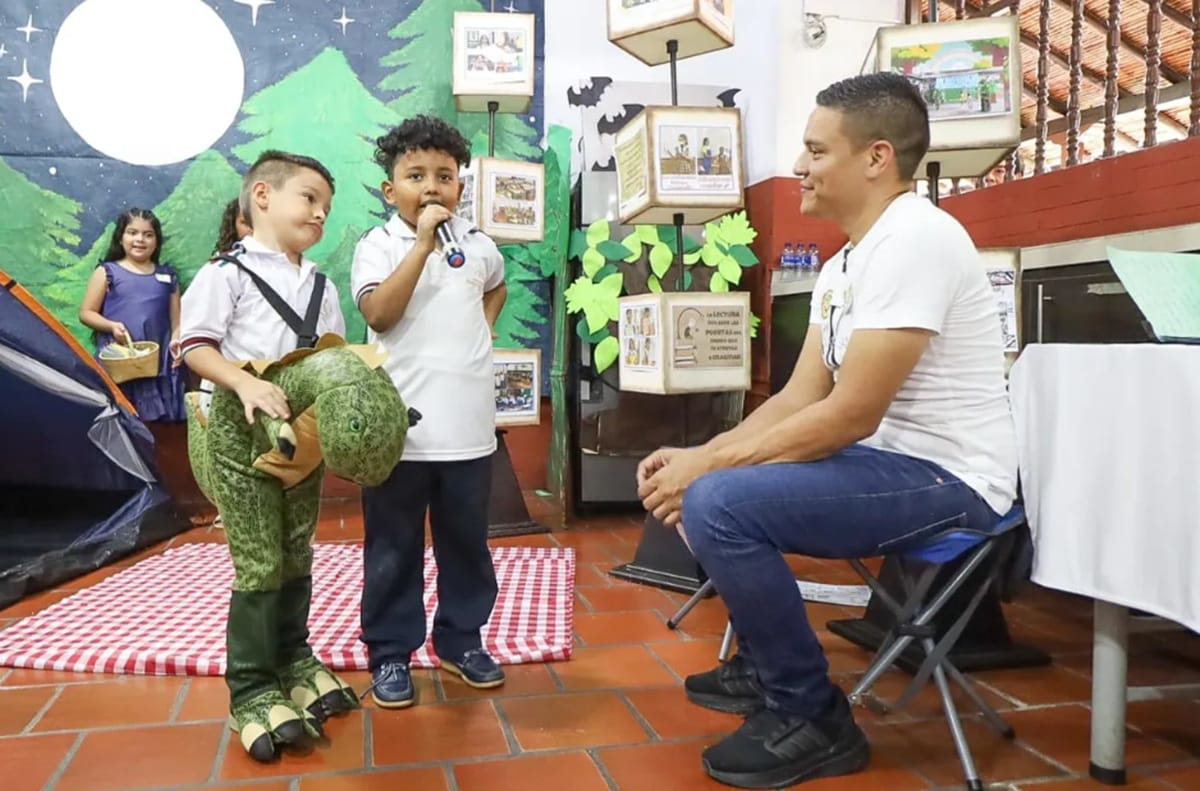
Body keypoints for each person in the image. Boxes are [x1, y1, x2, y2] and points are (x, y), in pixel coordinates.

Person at [636, 72, 1018, 788]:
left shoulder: (917, 239)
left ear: (876, 157)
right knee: (712, 482)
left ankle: (813, 714)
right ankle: (762, 663)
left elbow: (849, 415)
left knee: (719, 502)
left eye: (815, 151)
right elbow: (799, 396)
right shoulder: (845, 262)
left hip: (954, 479)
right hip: (887, 464)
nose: (798, 167)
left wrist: (709, 473)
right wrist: (701, 455)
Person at [179, 149, 352, 761]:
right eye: (309, 197)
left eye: (326, 206)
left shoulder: (323, 287)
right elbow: (193, 346)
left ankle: (294, 659)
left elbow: (333, 357)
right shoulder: (225, 274)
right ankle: (251, 688)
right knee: (257, 560)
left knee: (295, 547)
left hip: (299, 437)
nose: (320, 212)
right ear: (262, 197)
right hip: (237, 430)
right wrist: (246, 383)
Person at [351, 114, 508, 708]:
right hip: (401, 434)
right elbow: (380, 315)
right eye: (416, 175)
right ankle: (391, 651)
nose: (433, 187)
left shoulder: (479, 245)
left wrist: (482, 333)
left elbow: (497, 284)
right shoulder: (380, 244)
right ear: (392, 191)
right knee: (393, 545)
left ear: (461, 188)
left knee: (466, 542)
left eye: (445, 175)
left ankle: (462, 640)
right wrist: (421, 244)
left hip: (468, 430)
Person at [79, 207, 186, 422]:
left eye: (148, 235)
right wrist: (111, 326)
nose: (140, 240)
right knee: (122, 418)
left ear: (156, 241)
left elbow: (177, 320)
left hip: (158, 363)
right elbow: (86, 313)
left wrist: (177, 340)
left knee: (160, 427)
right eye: (133, 233)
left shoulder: (167, 276)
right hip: (121, 362)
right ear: (121, 237)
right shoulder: (107, 272)